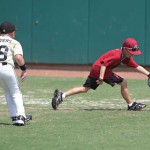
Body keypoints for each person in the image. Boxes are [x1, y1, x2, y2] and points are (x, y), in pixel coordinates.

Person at [51, 38, 150, 111]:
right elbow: (104, 64)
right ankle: (131, 104)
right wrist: (101, 78)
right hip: (101, 70)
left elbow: (136, 66)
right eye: (131, 52)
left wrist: (148, 74)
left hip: (97, 69)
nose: (132, 54)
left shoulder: (125, 57)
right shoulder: (117, 55)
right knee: (123, 82)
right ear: (124, 49)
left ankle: (61, 95)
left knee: (85, 89)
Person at [0, 21, 32, 126]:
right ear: (12, 33)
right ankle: (21, 117)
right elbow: (18, 57)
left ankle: (14, 117)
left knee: (7, 92)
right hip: (7, 68)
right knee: (15, 92)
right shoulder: (14, 42)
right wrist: (24, 69)